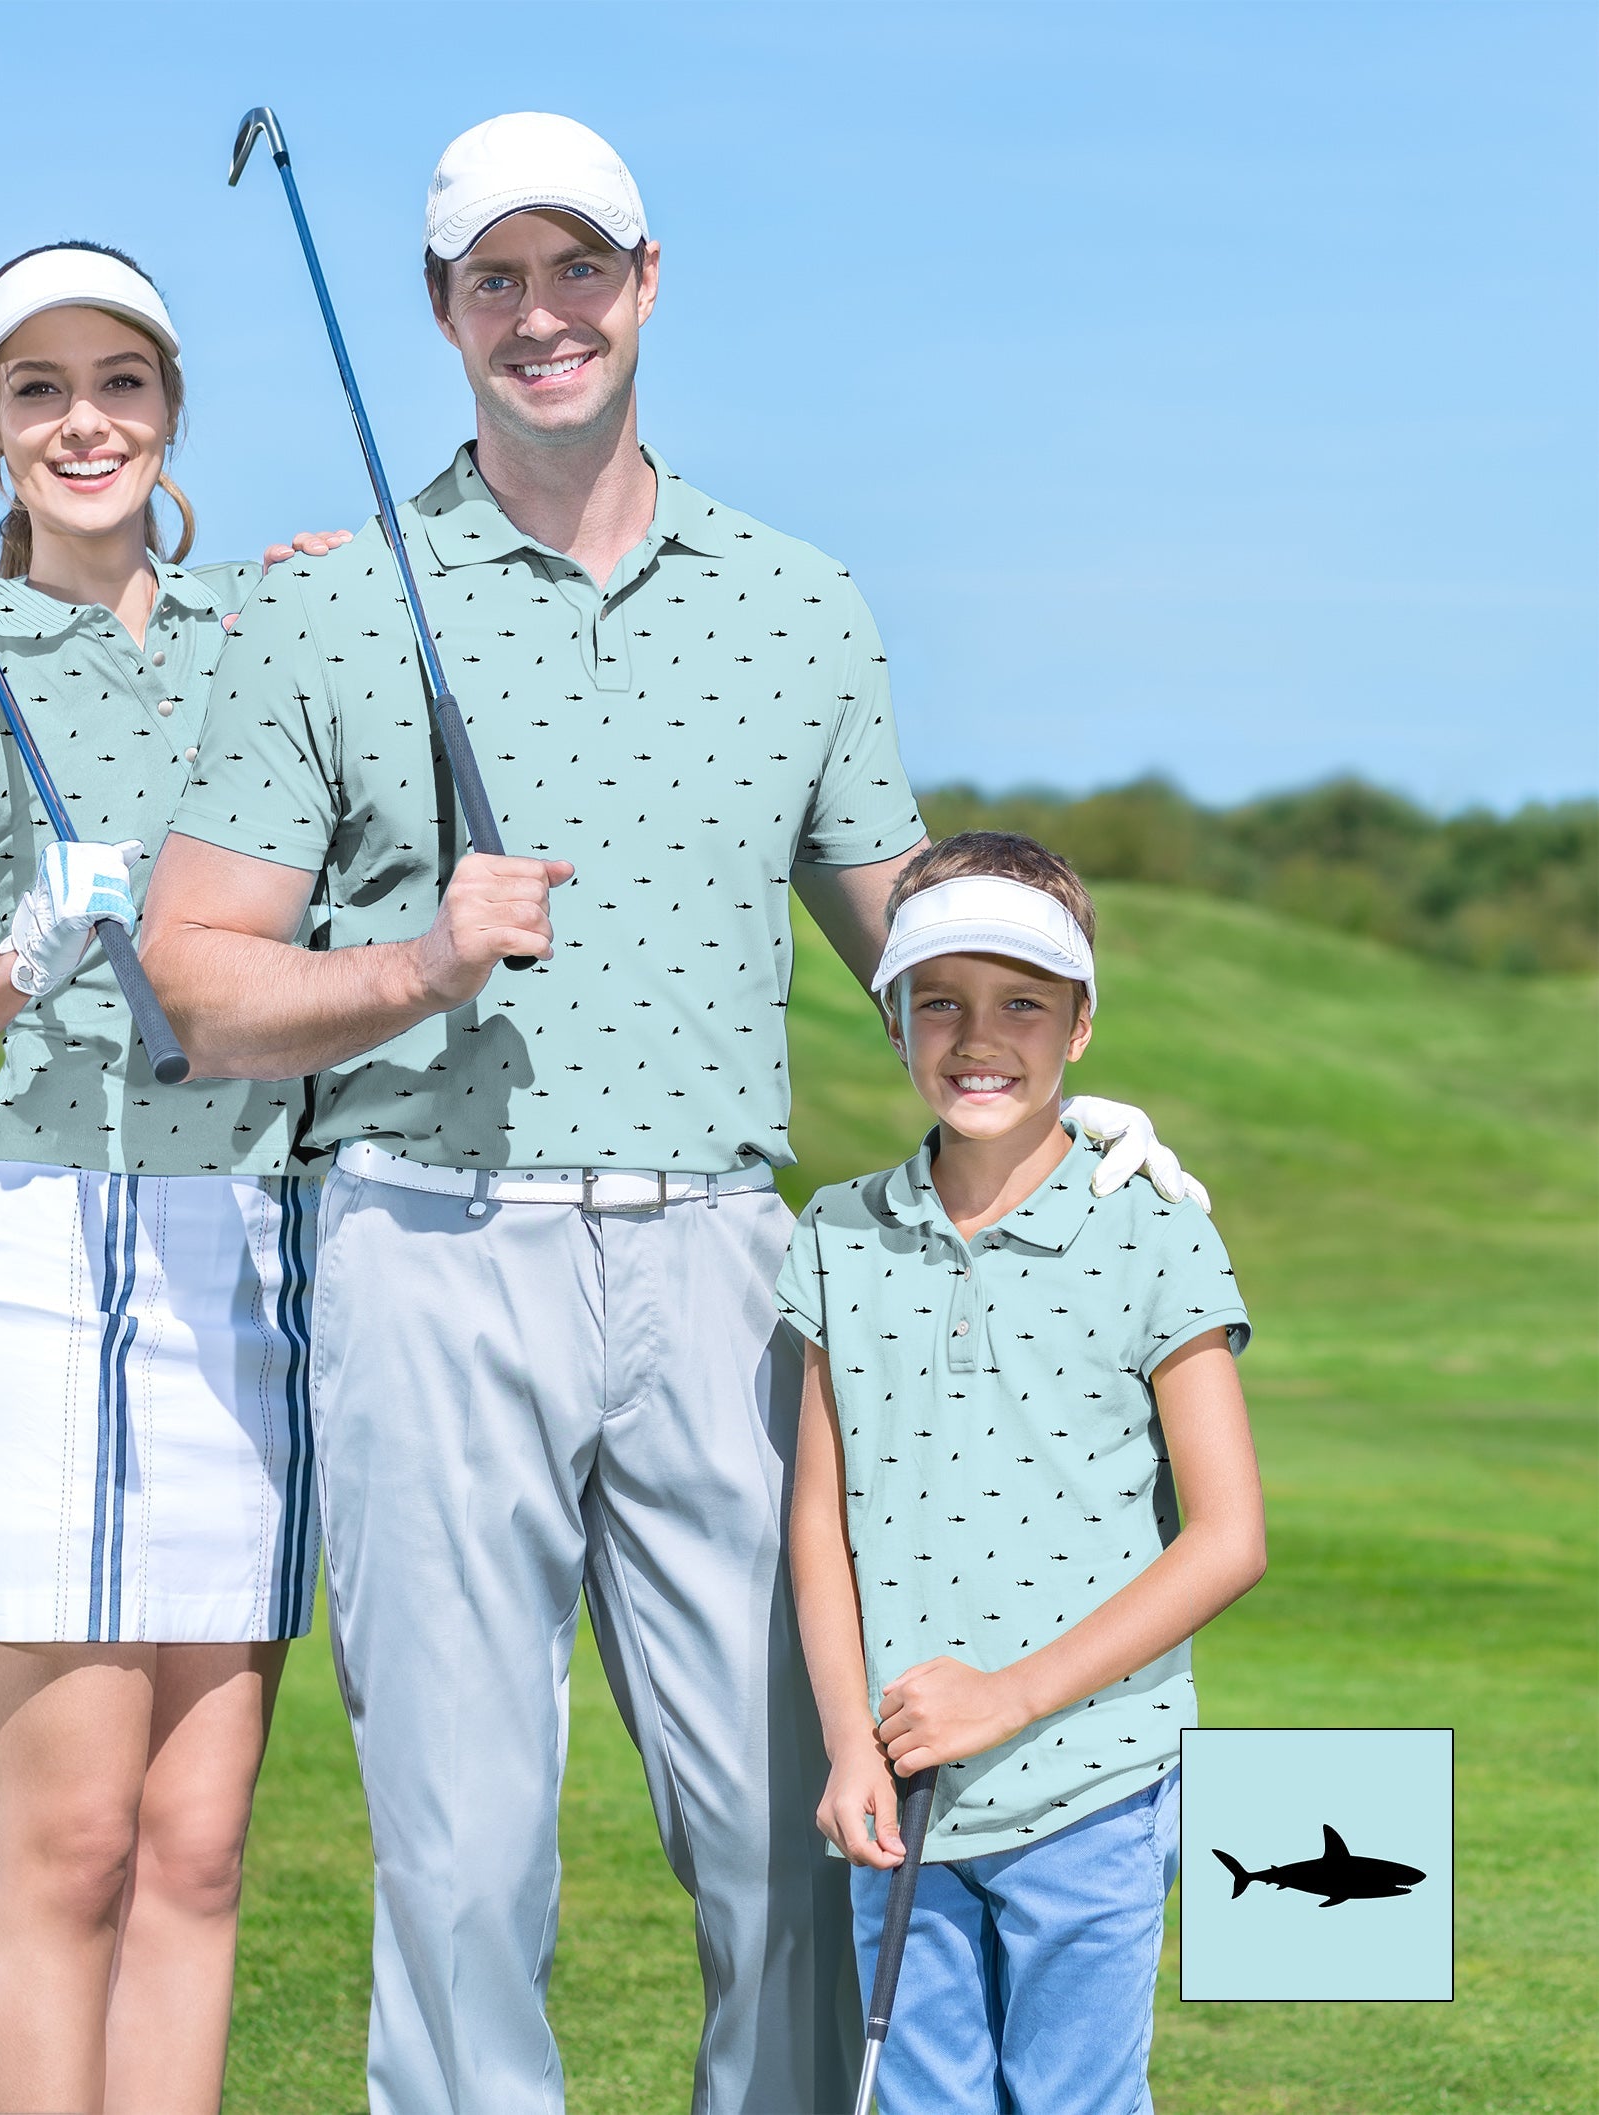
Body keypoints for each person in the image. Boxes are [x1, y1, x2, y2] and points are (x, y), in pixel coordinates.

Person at [140, 116, 1195, 2114]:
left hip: (723, 1265)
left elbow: (907, 938)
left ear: (645, 282)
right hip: (425, 1242)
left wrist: (1065, 1087)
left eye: (578, 269)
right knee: (464, 1864)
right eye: (496, 278)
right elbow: (193, 975)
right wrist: (412, 968)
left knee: (799, 1831)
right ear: (441, 310)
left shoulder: (801, 606)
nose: (541, 314)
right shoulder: (330, 606)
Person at [0, 241, 347, 2115]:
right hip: (55, 1258)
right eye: (36, 389)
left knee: (199, 1845)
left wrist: (338, 594)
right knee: (74, 1843)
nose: (83, 421)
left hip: (255, 1253)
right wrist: (21, 957)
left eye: (118, 381)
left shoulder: (275, 641)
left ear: (170, 410)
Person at [779, 831, 1267, 2115]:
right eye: (939, 1001)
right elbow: (817, 1523)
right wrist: (847, 1745)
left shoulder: (1156, 1233)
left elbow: (1229, 1538)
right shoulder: (837, 1233)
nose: (978, 1037)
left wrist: (1006, 1700)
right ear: (892, 1017)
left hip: (1096, 1779)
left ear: (1081, 1026)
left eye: (1023, 1005)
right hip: (901, 1789)